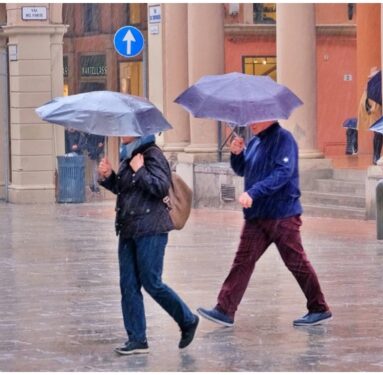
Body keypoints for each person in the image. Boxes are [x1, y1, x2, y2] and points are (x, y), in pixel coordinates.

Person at [197, 120, 332, 327]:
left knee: (296, 263)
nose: (250, 123)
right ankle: (224, 309)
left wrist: (254, 192)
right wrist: (236, 155)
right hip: (257, 216)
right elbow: (244, 170)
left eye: (255, 119)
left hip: (282, 215)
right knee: (243, 261)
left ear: (269, 116)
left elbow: (283, 173)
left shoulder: (284, 139)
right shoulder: (254, 142)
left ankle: (319, 307)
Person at [98, 134, 199, 355]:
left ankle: (188, 320)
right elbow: (126, 189)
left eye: (126, 129)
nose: (121, 134)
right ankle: (137, 339)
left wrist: (140, 170)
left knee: (152, 282)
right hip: (128, 228)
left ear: (139, 131)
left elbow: (160, 187)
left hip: (151, 229)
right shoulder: (129, 156)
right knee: (128, 285)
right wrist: (108, 177)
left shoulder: (153, 155)